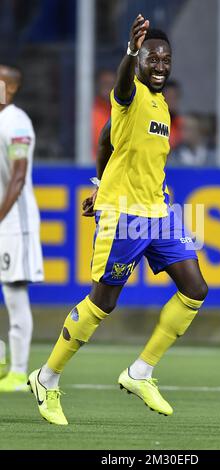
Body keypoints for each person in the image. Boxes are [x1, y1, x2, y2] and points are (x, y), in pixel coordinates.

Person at [28, 14, 208, 426]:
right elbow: (122, 89)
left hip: (157, 212)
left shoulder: (162, 105)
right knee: (103, 302)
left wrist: (98, 181)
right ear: (140, 61)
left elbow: (107, 140)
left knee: (195, 288)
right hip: (124, 215)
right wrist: (130, 52)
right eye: (152, 59)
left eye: (166, 60)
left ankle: (140, 372)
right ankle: (47, 377)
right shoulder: (131, 93)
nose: (160, 65)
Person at [0, 64, 44, 391]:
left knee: (15, 293)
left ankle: (17, 372)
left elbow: (17, 178)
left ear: (10, 88)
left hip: (16, 222)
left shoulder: (17, 122)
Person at [92, 69, 116, 160]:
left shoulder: (124, 111)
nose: (108, 88)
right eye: (105, 83)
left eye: (111, 84)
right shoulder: (90, 111)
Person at [163, 79, 183, 149]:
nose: (172, 101)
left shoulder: (182, 124)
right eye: (169, 97)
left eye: (175, 97)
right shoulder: (156, 122)